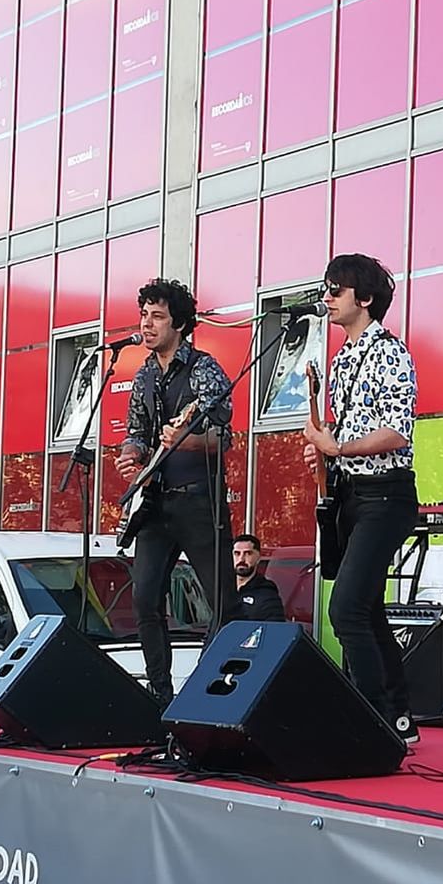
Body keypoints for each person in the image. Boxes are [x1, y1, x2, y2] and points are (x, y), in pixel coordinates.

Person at [302, 254, 420, 745]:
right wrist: (326, 455)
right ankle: (398, 718)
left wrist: (339, 447)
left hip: (386, 495)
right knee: (366, 607)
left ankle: (371, 718)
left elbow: (397, 431)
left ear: (364, 298)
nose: (327, 299)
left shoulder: (391, 354)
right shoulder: (341, 359)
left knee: (346, 608)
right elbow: (347, 431)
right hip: (350, 493)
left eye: (337, 290)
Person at [114, 277, 236, 705]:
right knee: (145, 597)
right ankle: (161, 697)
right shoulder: (143, 374)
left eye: (157, 317)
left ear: (179, 323)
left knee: (222, 601)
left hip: (198, 498)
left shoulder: (205, 369)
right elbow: (135, 433)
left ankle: (203, 692)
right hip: (155, 501)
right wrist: (131, 453)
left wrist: (185, 439)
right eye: (144, 315)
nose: (147, 325)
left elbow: (224, 439)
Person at [229, 534, 286, 623]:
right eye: (237, 553)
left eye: (248, 553)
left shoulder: (267, 596)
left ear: (259, 557)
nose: (241, 559)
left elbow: (275, 630)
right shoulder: (222, 590)